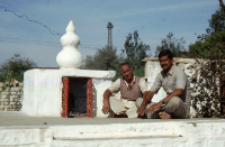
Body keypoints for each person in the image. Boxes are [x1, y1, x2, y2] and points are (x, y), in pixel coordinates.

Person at [136, 49, 191, 119]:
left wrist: (160, 103)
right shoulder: (161, 75)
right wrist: (143, 105)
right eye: (161, 61)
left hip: (180, 108)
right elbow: (151, 92)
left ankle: (158, 114)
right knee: (139, 101)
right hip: (165, 106)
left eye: (165, 60)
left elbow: (179, 91)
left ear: (171, 60)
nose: (163, 63)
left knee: (175, 100)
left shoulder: (179, 72)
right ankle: (161, 114)